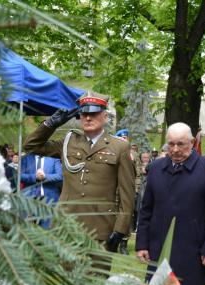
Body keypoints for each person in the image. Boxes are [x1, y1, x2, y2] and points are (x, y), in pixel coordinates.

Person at [23, 91, 135, 259]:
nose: (88, 118)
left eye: (93, 113)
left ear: (105, 116)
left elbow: (127, 194)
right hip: (65, 226)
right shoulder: (68, 142)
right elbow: (30, 146)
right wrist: (50, 124)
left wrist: (120, 230)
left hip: (100, 228)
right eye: (84, 114)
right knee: (63, 279)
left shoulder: (119, 147)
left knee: (96, 279)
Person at [136, 122, 205, 285]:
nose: (175, 149)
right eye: (171, 144)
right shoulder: (156, 168)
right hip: (158, 249)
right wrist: (142, 243)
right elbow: (146, 210)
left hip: (193, 251)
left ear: (192, 142)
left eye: (181, 144)